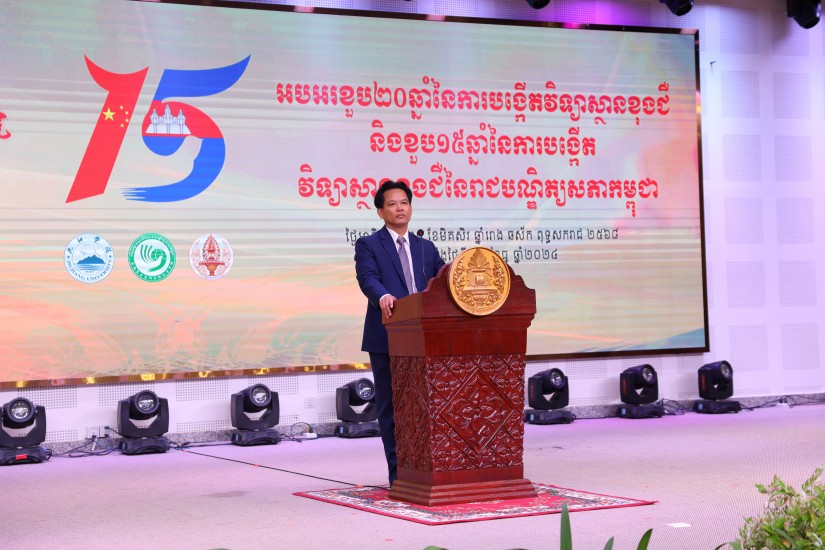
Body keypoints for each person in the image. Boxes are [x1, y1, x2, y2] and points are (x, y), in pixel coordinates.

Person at [354, 180, 445, 486]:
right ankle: (399, 476)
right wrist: (382, 296)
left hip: (425, 338)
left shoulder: (426, 247)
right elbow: (368, 278)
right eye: (392, 204)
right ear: (381, 211)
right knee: (392, 408)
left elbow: (443, 279)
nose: (399, 208)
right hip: (387, 335)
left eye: (404, 202)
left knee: (426, 405)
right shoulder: (368, 245)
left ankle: (427, 470)